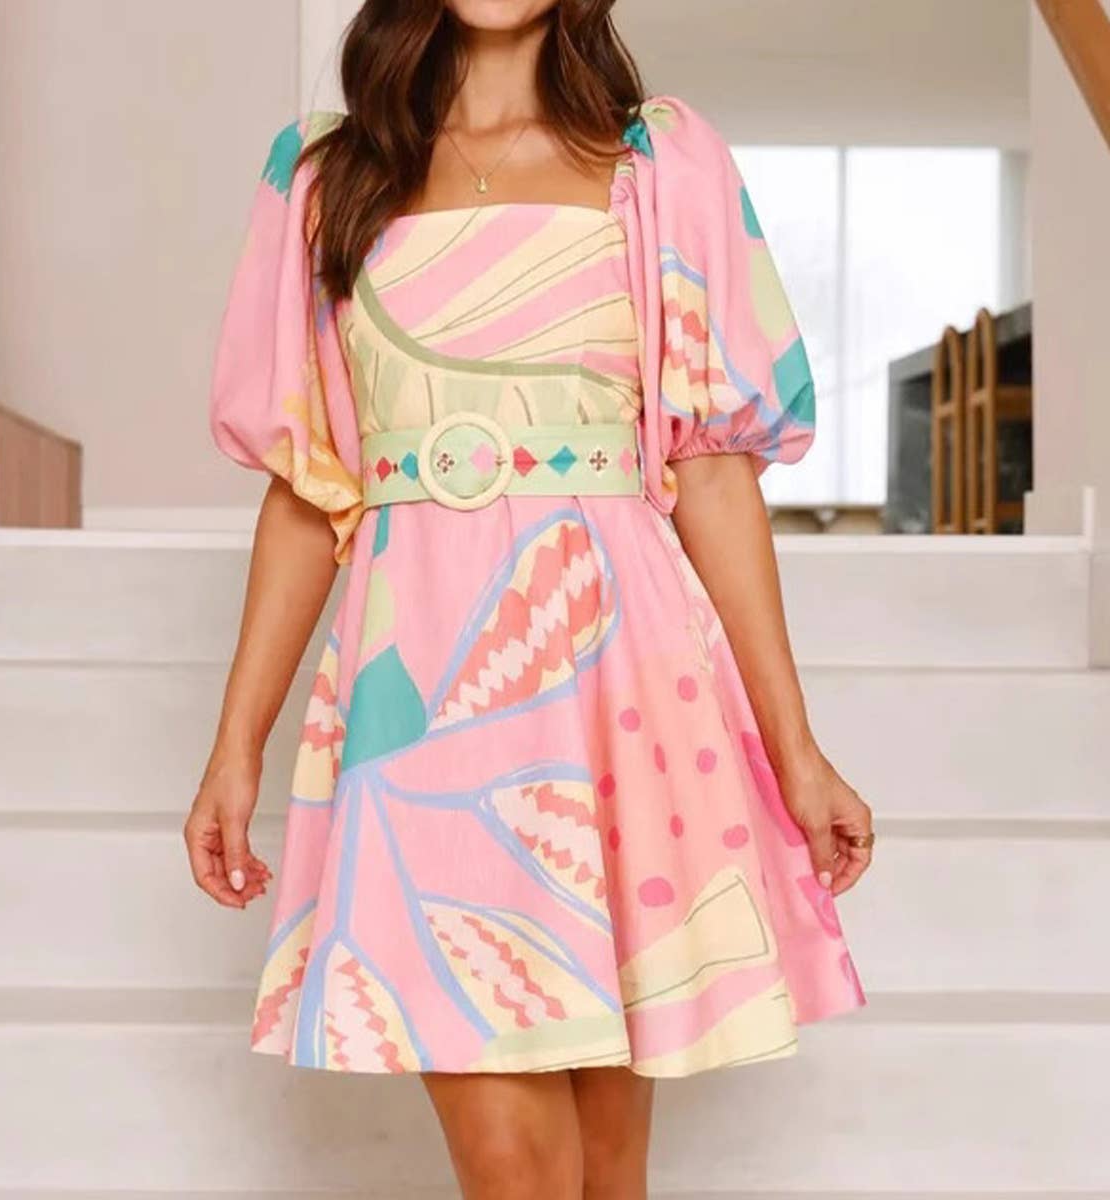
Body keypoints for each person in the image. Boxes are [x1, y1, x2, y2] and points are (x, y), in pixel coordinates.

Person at [187, 2, 874, 1196]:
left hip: (621, 685)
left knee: (607, 1168)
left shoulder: (661, 162)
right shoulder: (324, 177)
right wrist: (235, 744)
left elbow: (714, 474)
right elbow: (308, 489)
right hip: (418, 705)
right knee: (515, 1165)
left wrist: (796, 751)